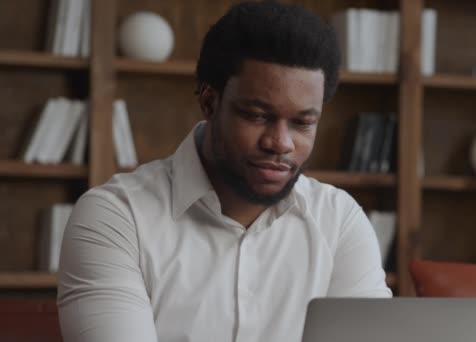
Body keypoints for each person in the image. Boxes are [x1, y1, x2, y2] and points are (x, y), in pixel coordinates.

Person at [57, 2, 391, 342]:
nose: (280, 143)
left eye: (303, 123)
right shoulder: (116, 218)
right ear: (209, 101)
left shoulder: (338, 222)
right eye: (257, 115)